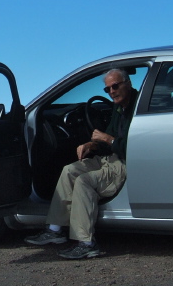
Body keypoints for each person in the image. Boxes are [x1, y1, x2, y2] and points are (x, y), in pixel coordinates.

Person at [26, 68, 138, 259]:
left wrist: (107, 139)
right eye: (108, 89)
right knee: (70, 170)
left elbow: (132, 147)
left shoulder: (137, 107)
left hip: (125, 162)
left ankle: (86, 242)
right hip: (110, 158)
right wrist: (92, 145)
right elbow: (107, 145)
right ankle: (55, 230)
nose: (112, 91)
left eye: (116, 86)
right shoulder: (119, 108)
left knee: (84, 181)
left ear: (128, 84)